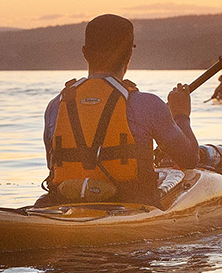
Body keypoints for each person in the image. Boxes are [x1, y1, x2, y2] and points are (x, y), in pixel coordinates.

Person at [41, 14, 203, 205]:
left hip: (65, 203)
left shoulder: (56, 105)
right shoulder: (148, 104)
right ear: (129, 54)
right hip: (132, 203)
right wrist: (180, 114)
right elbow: (189, 159)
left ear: (85, 52)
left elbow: (53, 165)